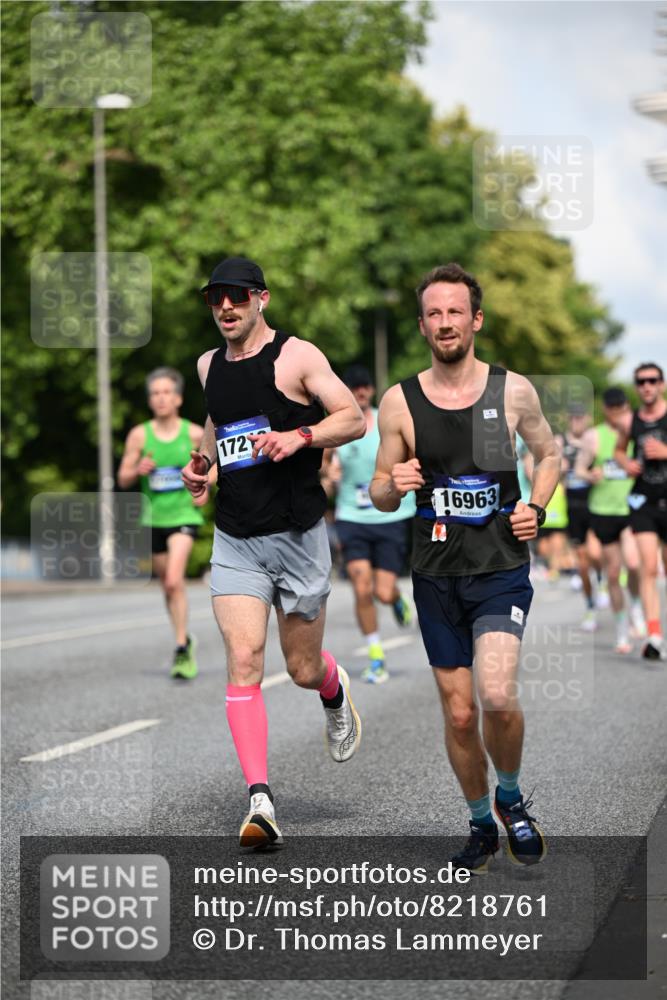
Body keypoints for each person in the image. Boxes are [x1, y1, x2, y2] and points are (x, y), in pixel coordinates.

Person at [370, 262, 560, 873]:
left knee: (498, 694)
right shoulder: (399, 401)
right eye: (434, 313)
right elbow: (376, 489)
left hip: (500, 566)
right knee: (458, 712)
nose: (445, 322)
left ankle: (511, 796)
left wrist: (537, 504)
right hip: (433, 571)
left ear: (475, 319)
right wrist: (391, 484)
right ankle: (482, 823)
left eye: (456, 311)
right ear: (423, 325)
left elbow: (549, 453)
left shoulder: (515, 391)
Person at [181, 256, 366, 847]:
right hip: (236, 536)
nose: (226, 308)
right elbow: (218, 418)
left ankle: (334, 690)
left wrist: (301, 435)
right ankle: (260, 802)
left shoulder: (298, 356)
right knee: (243, 660)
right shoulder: (209, 365)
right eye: (216, 299)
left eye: (237, 297)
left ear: (262, 298)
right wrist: (204, 464)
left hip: (298, 533)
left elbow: (354, 418)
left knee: (302, 669)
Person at [321, 364, 416, 684]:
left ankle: (396, 599)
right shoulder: (337, 427)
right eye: (353, 387)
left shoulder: (387, 423)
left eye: (364, 387)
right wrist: (328, 478)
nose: (359, 392)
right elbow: (321, 473)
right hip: (352, 517)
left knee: (383, 590)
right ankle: (376, 655)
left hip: (390, 515)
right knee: (362, 587)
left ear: (371, 391)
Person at [118, 368, 207, 679]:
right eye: (155, 393)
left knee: (173, 580)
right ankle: (184, 637)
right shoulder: (140, 435)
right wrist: (138, 469)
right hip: (153, 518)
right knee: (168, 589)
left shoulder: (195, 433)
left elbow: (211, 470)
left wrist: (204, 489)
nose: (160, 398)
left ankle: (181, 649)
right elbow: (123, 477)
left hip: (184, 516)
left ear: (178, 397)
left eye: (166, 392)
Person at [575, 387, 646, 654]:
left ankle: (637, 605)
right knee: (614, 574)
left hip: (631, 508)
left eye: (623, 410)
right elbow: (579, 469)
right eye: (614, 411)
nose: (618, 416)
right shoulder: (595, 436)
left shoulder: (636, 433)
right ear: (606, 409)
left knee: (634, 563)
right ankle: (621, 631)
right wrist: (590, 475)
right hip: (603, 511)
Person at [614, 362, 667, 660]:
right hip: (643, 502)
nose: (646, 386)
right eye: (641, 381)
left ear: (661, 383)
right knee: (647, 567)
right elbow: (620, 451)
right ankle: (654, 636)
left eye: (652, 380)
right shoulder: (628, 421)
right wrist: (626, 464)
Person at [557, 405, 604, 629]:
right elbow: (548, 470)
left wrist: (597, 473)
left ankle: (603, 581)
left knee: (595, 552)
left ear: (587, 419)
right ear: (568, 420)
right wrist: (559, 469)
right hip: (573, 507)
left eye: (581, 417)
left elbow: (606, 466)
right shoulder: (560, 442)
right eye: (573, 418)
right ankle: (589, 606)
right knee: (583, 563)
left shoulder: (594, 440)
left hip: (594, 504)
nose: (577, 421)